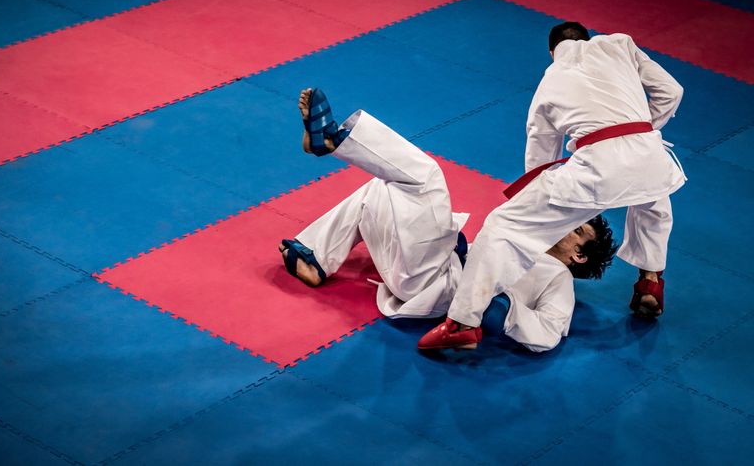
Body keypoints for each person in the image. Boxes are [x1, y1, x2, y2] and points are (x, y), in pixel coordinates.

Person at [280, 88, 617, 352]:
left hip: (439, 287)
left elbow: (550, 331)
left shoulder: (557, 277)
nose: (567, 221)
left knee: (425, 177)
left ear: (579, 255)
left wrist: (500, 310)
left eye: (578, 228)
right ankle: (312, 257)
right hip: (428, 269)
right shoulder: (523, 235)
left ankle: (333, 139)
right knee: (382, 187)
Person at [418, 22, 685, 351]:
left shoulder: (550, 81)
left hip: (598, 167)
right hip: (651, 152)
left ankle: (463, 322)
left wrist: (535, 195)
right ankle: (651, 282)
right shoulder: (620, 44)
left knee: (503, 226)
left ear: (551, 50)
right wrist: (641, 131)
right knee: (652, 203)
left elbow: (540, 157)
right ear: (585, 39)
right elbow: (672, 92)